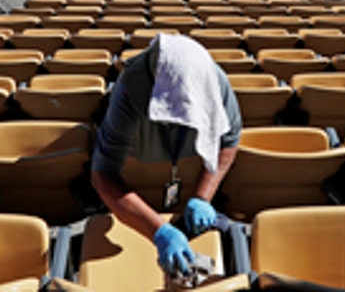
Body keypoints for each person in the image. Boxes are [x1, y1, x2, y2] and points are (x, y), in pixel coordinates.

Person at [91, 33, 242, 278]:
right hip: (137, 186)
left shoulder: (217, 83)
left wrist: (202, 197)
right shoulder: (131, 87)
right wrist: (160, 232)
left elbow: (228, 142)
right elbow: (103, 174)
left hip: (186, 183)